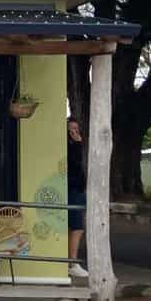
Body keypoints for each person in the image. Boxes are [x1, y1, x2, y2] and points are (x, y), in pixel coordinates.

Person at [66, 117, 87, 279]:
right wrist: (77, 143)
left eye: (76, 129)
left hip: (77, 188)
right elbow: (73, 163)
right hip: (71, 189)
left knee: (75, 226)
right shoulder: (70, 147)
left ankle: (70, 261)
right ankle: (72, 263)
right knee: (77, 226)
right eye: (70, 129)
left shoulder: (76, 146)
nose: (74, 132)